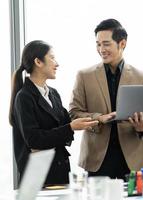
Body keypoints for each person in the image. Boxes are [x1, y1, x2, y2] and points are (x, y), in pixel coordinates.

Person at [69, 19, 143, 180]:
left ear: (122, 44)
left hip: (132, 159)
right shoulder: (84, 76)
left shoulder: (141, 77)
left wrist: (142, 128)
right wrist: (98, 118)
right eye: (98, 44)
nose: (101, 49)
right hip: (96, 159)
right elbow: (74, 113)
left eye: (106, 44)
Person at [9, 40, 98, 186]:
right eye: (52, 58)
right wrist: (69, 128)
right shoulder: (24, 97)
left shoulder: (53, 94)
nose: (57, 63)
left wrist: (97, 118)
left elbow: (65, 124)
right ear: (38, 62)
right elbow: (34, 139)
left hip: (59, 169)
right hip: (38, 175)